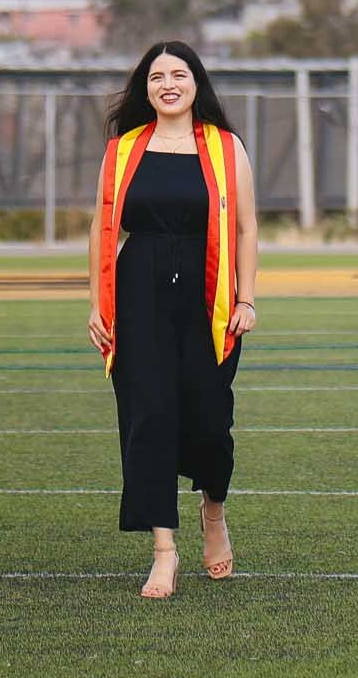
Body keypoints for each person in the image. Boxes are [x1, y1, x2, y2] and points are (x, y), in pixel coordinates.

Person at [85, 41, 259, 599]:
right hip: (138, 294)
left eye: (178, 74)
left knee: (210, 421)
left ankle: (214, 511)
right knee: (149, 416)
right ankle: (164, 549)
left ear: (196, 84)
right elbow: (101, 227)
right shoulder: (123, 150)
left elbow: (247, 230)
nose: (167, 84)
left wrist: (247, 298)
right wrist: (96, 303)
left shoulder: (227, 149)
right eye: (156, 76)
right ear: (145, 88)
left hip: (211, 298)